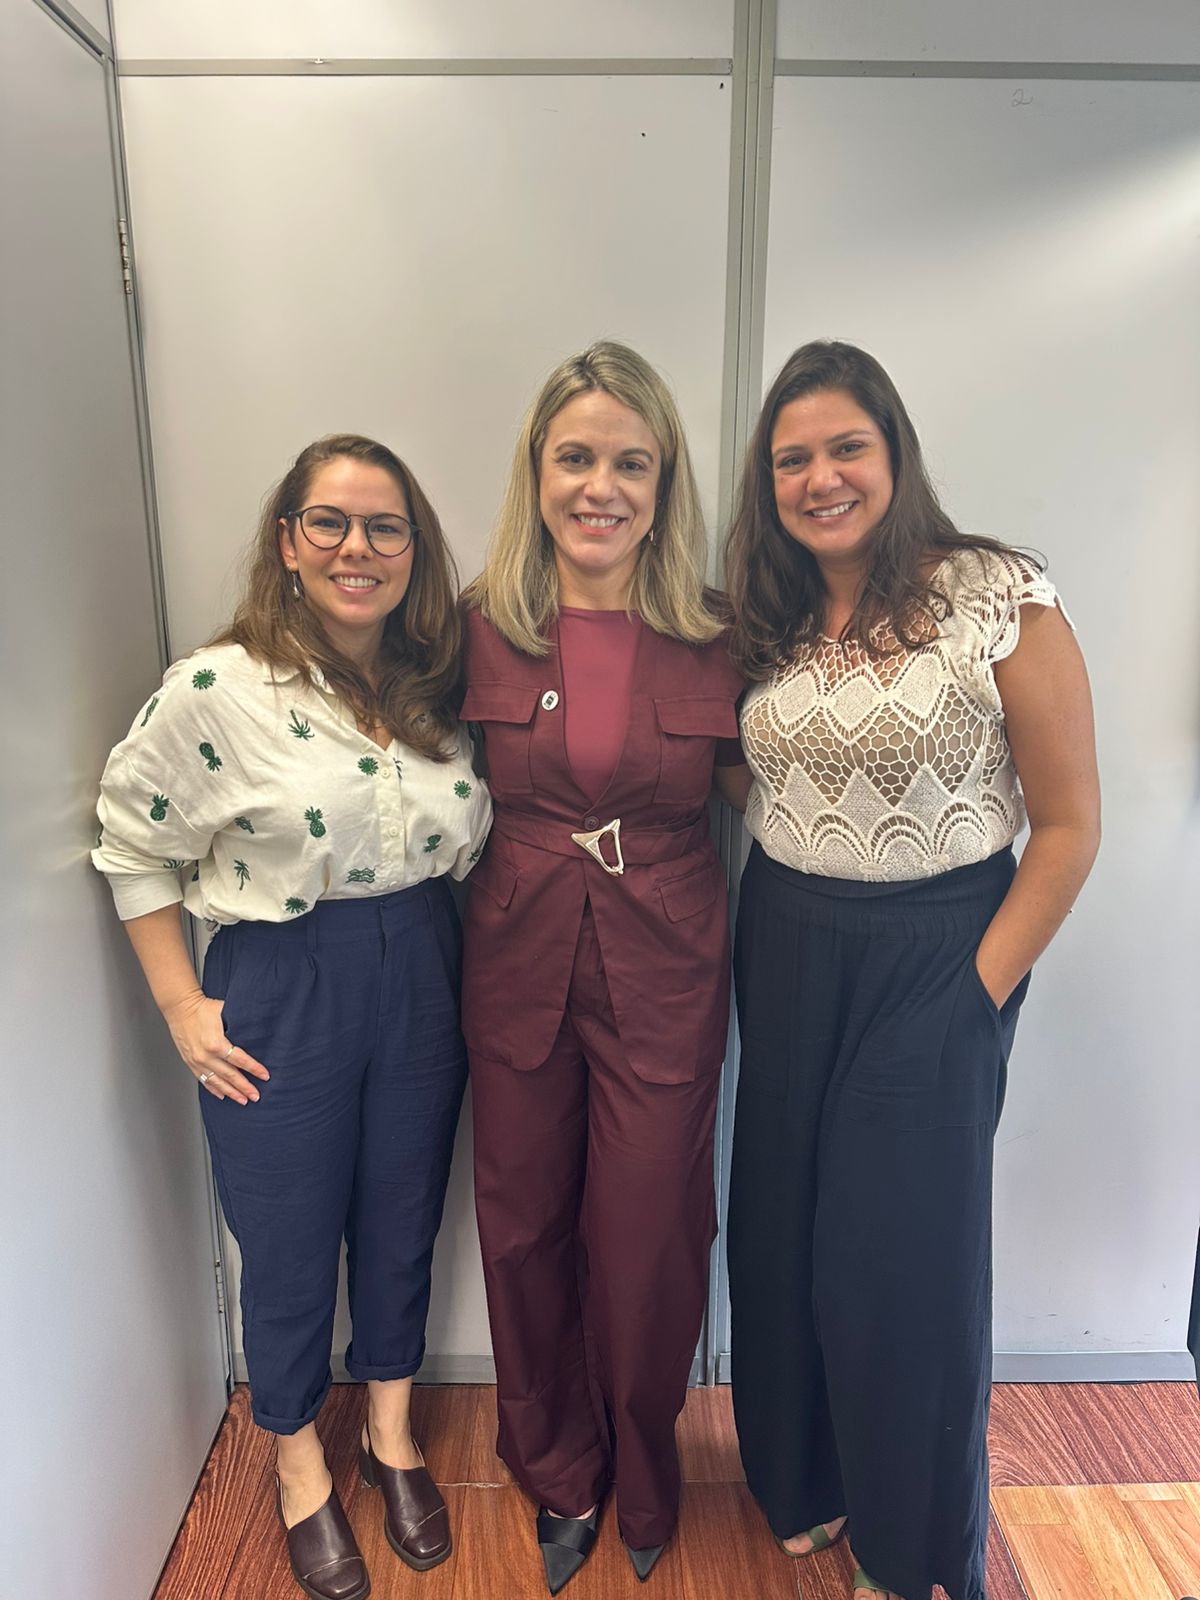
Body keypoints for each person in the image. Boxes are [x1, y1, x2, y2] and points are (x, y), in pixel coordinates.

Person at [721, 342, 1100, 1600]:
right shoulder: (766, 614)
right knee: (782, 1228)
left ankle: (910, 1541)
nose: (820, 478)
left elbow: (1070, 825)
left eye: (846, 448)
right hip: (786, 936)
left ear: (895, 453)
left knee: (902, 1257)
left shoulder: (997, 595)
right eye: (792, 459)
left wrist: (976, 996)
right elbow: (745, 768)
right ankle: (804, 1479)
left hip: (941, 949)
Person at [93, 435, 491, 1600]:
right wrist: (180, 1002)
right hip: (284, 977)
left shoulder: (437, 685)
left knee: (403, 1216)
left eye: (385, 527)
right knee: (287, 1237)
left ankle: (391, 1434)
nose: (358, 548)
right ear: (288, 541)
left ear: (413, 551)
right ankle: (299, 1458)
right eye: (330, 522)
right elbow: (130, 840)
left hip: (425, 963)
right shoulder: (216, 690)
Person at [460, 341, 748, 1592]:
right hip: (516, 955)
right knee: (522, 1225)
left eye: (631, 462)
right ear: (536, 472)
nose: (601, 487)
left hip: (666, 962)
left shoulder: (721, 634)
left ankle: (643, 1464)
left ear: (664, 481)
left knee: (649, 1236)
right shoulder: (474, 623)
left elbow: (781, 790)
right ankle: (557, 1471)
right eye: (575, 457)